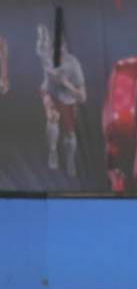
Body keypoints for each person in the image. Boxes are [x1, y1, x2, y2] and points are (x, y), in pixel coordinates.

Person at [36, 24, 87, 176]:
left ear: (65, 48)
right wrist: (41, 32)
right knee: (52, 117)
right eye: (53, 49)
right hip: (50, 92)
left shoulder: (74, 65)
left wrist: (68, 85)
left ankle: (70, 159)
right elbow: (39, 47)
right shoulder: (46, 55)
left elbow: (83, 97)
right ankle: (53, 151)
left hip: (67, 98)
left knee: (70, 134)